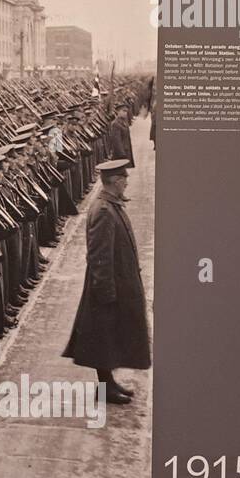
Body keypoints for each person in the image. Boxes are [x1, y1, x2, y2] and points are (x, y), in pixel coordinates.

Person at [62, 159, 150, 404]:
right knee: (104, 338)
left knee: (109, 337)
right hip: (107, 286)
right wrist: (105, 292)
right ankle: (105, 389)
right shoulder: (103, 210)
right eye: (124, 179)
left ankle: (109, 383)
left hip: (116, 282)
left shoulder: (110, 205)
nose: (127, 183)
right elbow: (99, 255)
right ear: (115, 181)